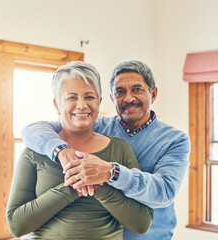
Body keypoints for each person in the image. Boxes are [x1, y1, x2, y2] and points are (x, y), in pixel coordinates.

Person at [21, 60, 191, 240]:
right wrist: (60, 149)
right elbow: (32, 130)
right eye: (120, 92)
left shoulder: (175, 139)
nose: (128, 98)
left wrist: (112, 172)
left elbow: (164, 192)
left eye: (137, 89)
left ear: (153, 93)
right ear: (111, 98)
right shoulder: (97, 125)